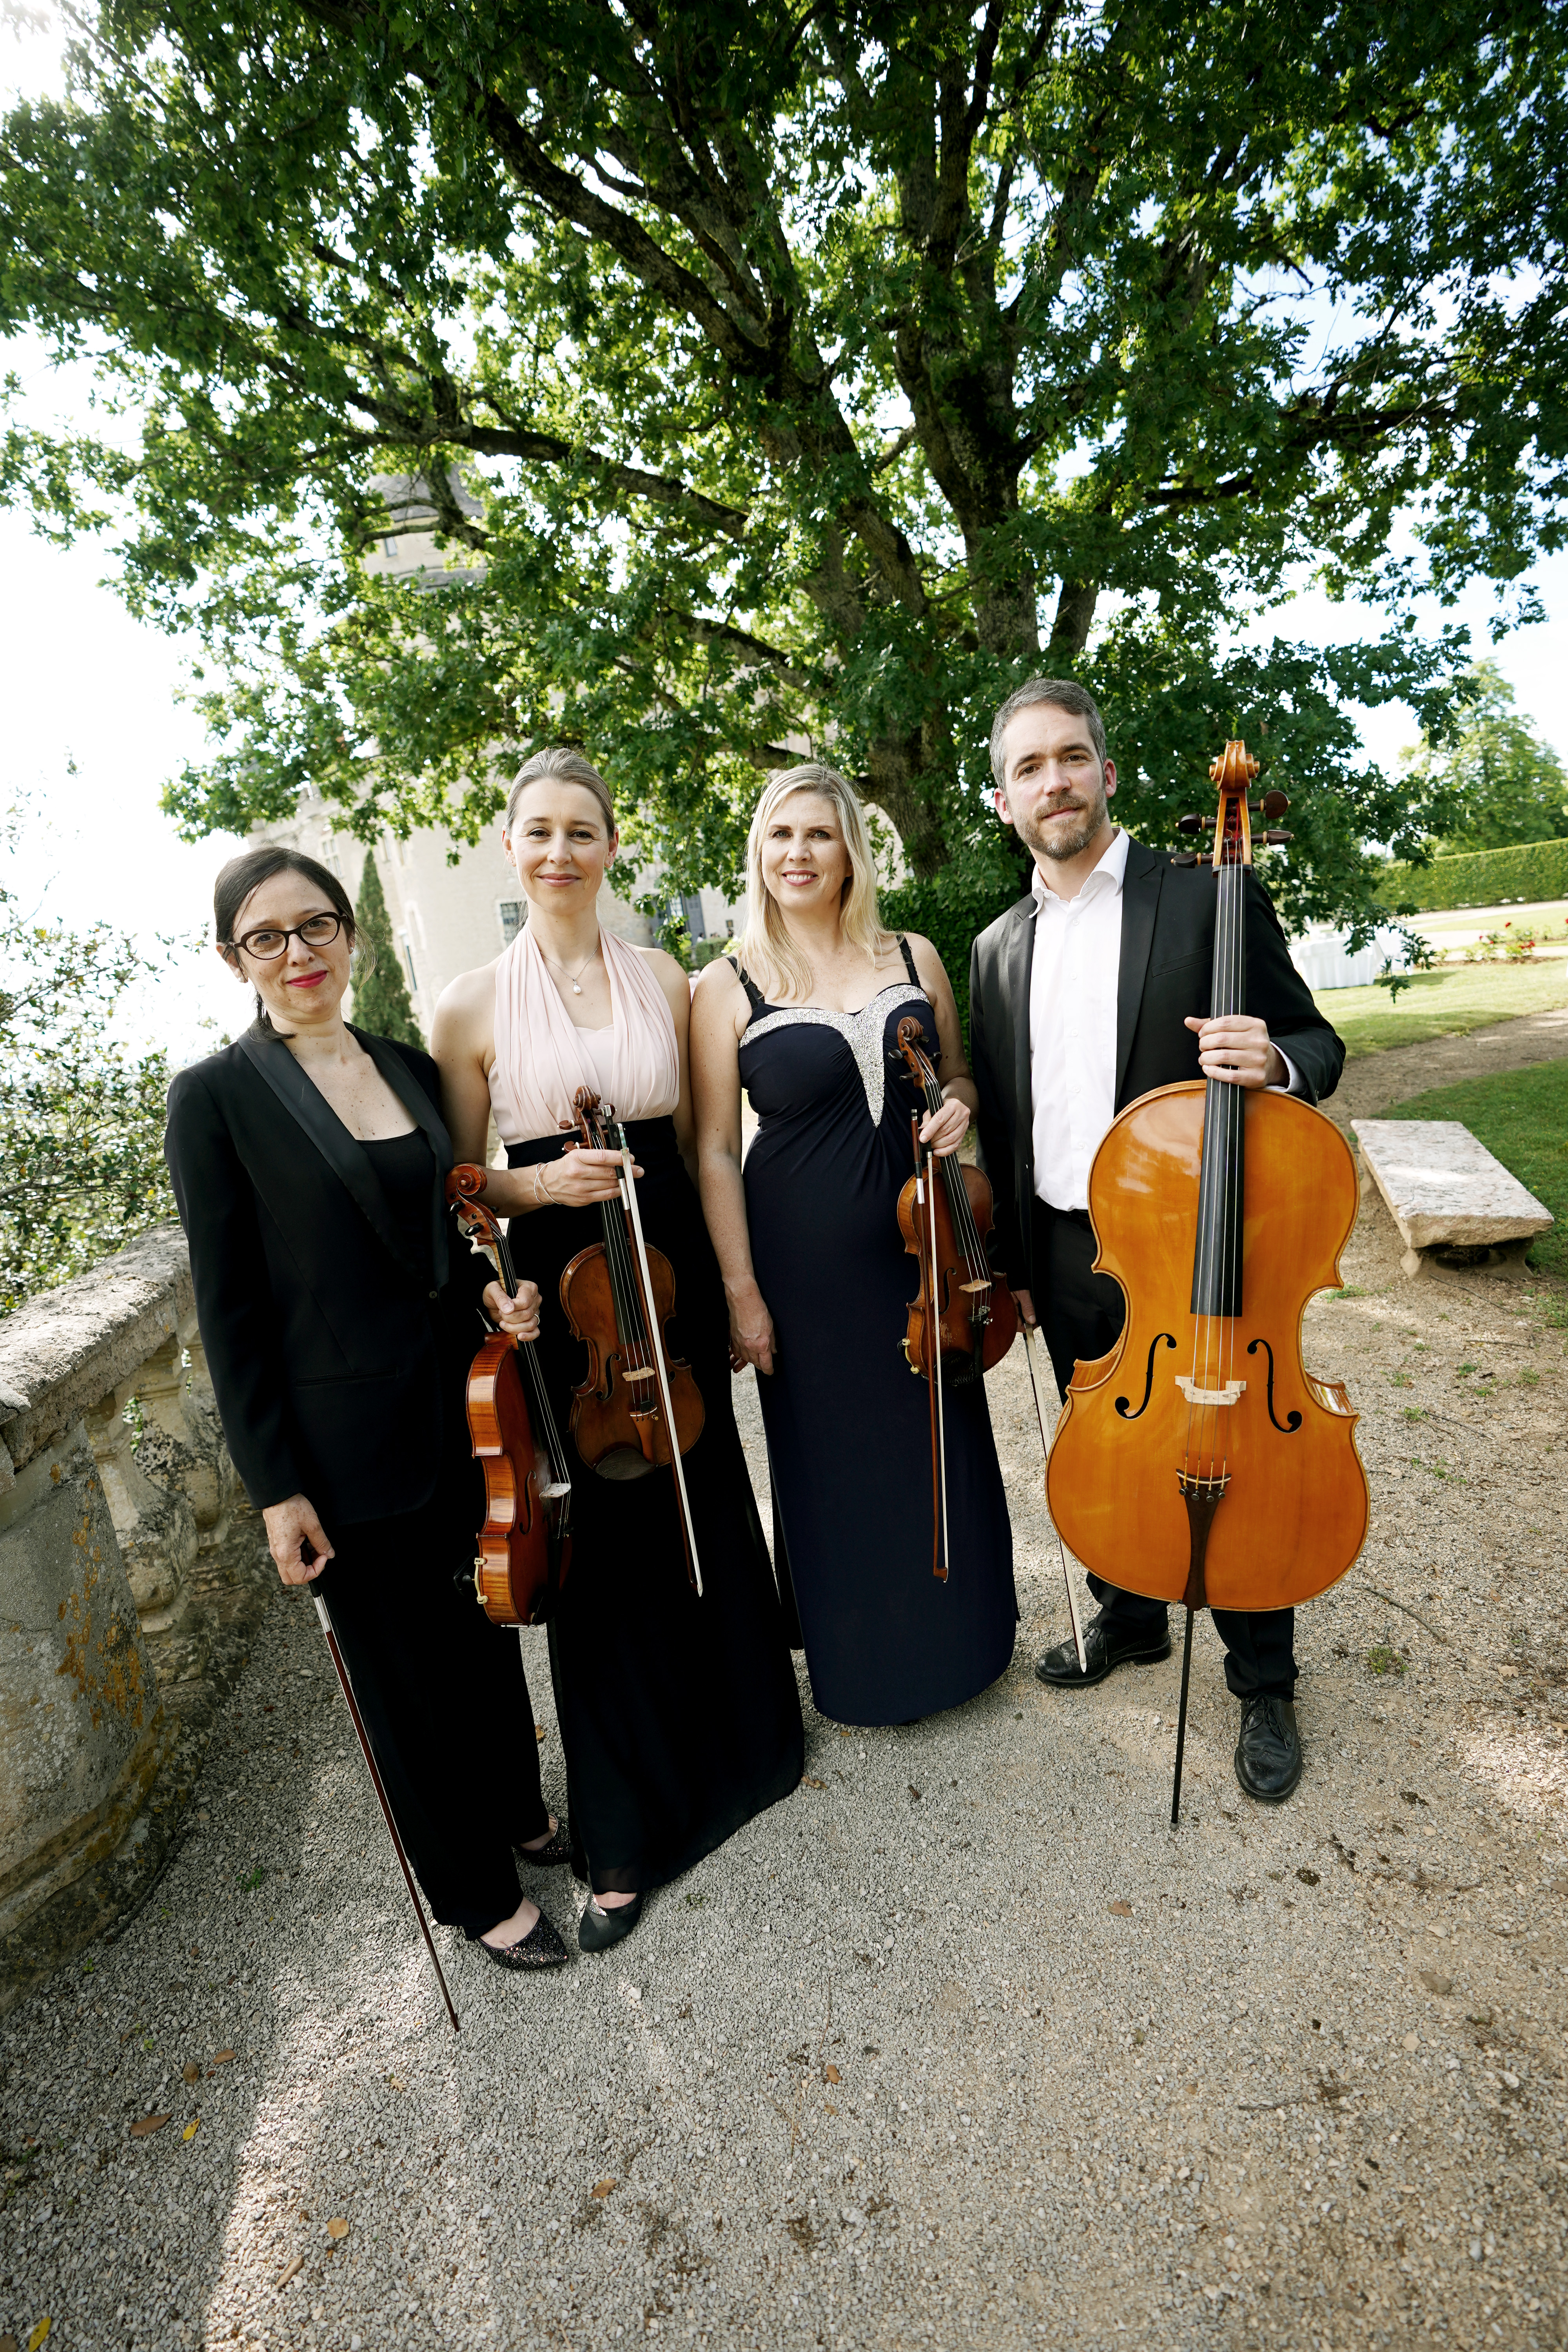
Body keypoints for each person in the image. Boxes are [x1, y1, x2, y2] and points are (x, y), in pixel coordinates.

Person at [165, 846, 572, 1973]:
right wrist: (274, 1489)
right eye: (267, 937)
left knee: (486, 1635)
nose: (298, 954)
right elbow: (227, 1308)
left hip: (462, 1406)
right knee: (406, 1679)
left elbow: (445, 1223)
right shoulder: (215, 1098)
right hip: (341, 1449)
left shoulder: (401, 1062)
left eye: (317, 928)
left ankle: (521, 1812)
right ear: (233, 958)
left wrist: (496, 1288)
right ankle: (477, 1893)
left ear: (350, 937)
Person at [432, 747, 804, 1953]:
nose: (559, 852)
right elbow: (462, 1186)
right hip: (569, 1295)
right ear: (509, 846)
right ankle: (626, 1831)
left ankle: (748, 1753)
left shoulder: (667, 975)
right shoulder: (469, 1003)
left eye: (581, 831)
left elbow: (706, 1143)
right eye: (537, 831)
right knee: (601, 1557)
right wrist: (538, 1186)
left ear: (611, 844)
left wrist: (736, 1290)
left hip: (669, 1273)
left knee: (703, 1506)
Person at [968, 678, 1347, 1802]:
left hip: (1198, 1254)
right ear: (1003, 800)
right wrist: (1021, 1274)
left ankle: (1263, 1679)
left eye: (1071, 757)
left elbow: (1315, 1039)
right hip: (1065, 1247)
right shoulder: (994, 947)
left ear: (1108, 773)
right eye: (1030, 767)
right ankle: (1130, 1617)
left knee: (1238, 1448)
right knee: (1107, 1441)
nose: (1055, 782)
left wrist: (1273, 1064)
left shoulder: (1207, 896)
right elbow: (1005, 1103)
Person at [690, 762, 1018, 1728]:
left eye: (818, 835)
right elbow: (711, 1151)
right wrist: (741, 1291)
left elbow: (955, 1077)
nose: (797, 853)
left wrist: (955, 1113)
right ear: (759, 849)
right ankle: (865, 1672)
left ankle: (966, 1644)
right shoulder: (726, 982)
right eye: (780, 835)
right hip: (800, 1271)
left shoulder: (913, 955)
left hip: (924, 1256)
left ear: (849, 852)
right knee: (832, 1465)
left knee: (942, 1439)